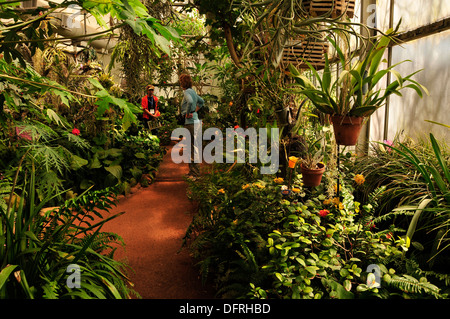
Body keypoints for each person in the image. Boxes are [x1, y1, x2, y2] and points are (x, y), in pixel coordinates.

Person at [179, 73, 204, 179]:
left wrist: (188, 113)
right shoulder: (192, 92)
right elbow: (201, 102)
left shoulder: (187, 92)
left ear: (182, 83)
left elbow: (189, 101)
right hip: (195, 121)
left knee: (192, 147)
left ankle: (195, 174)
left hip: (190, 123)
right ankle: (192, 172)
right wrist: (194, 111)